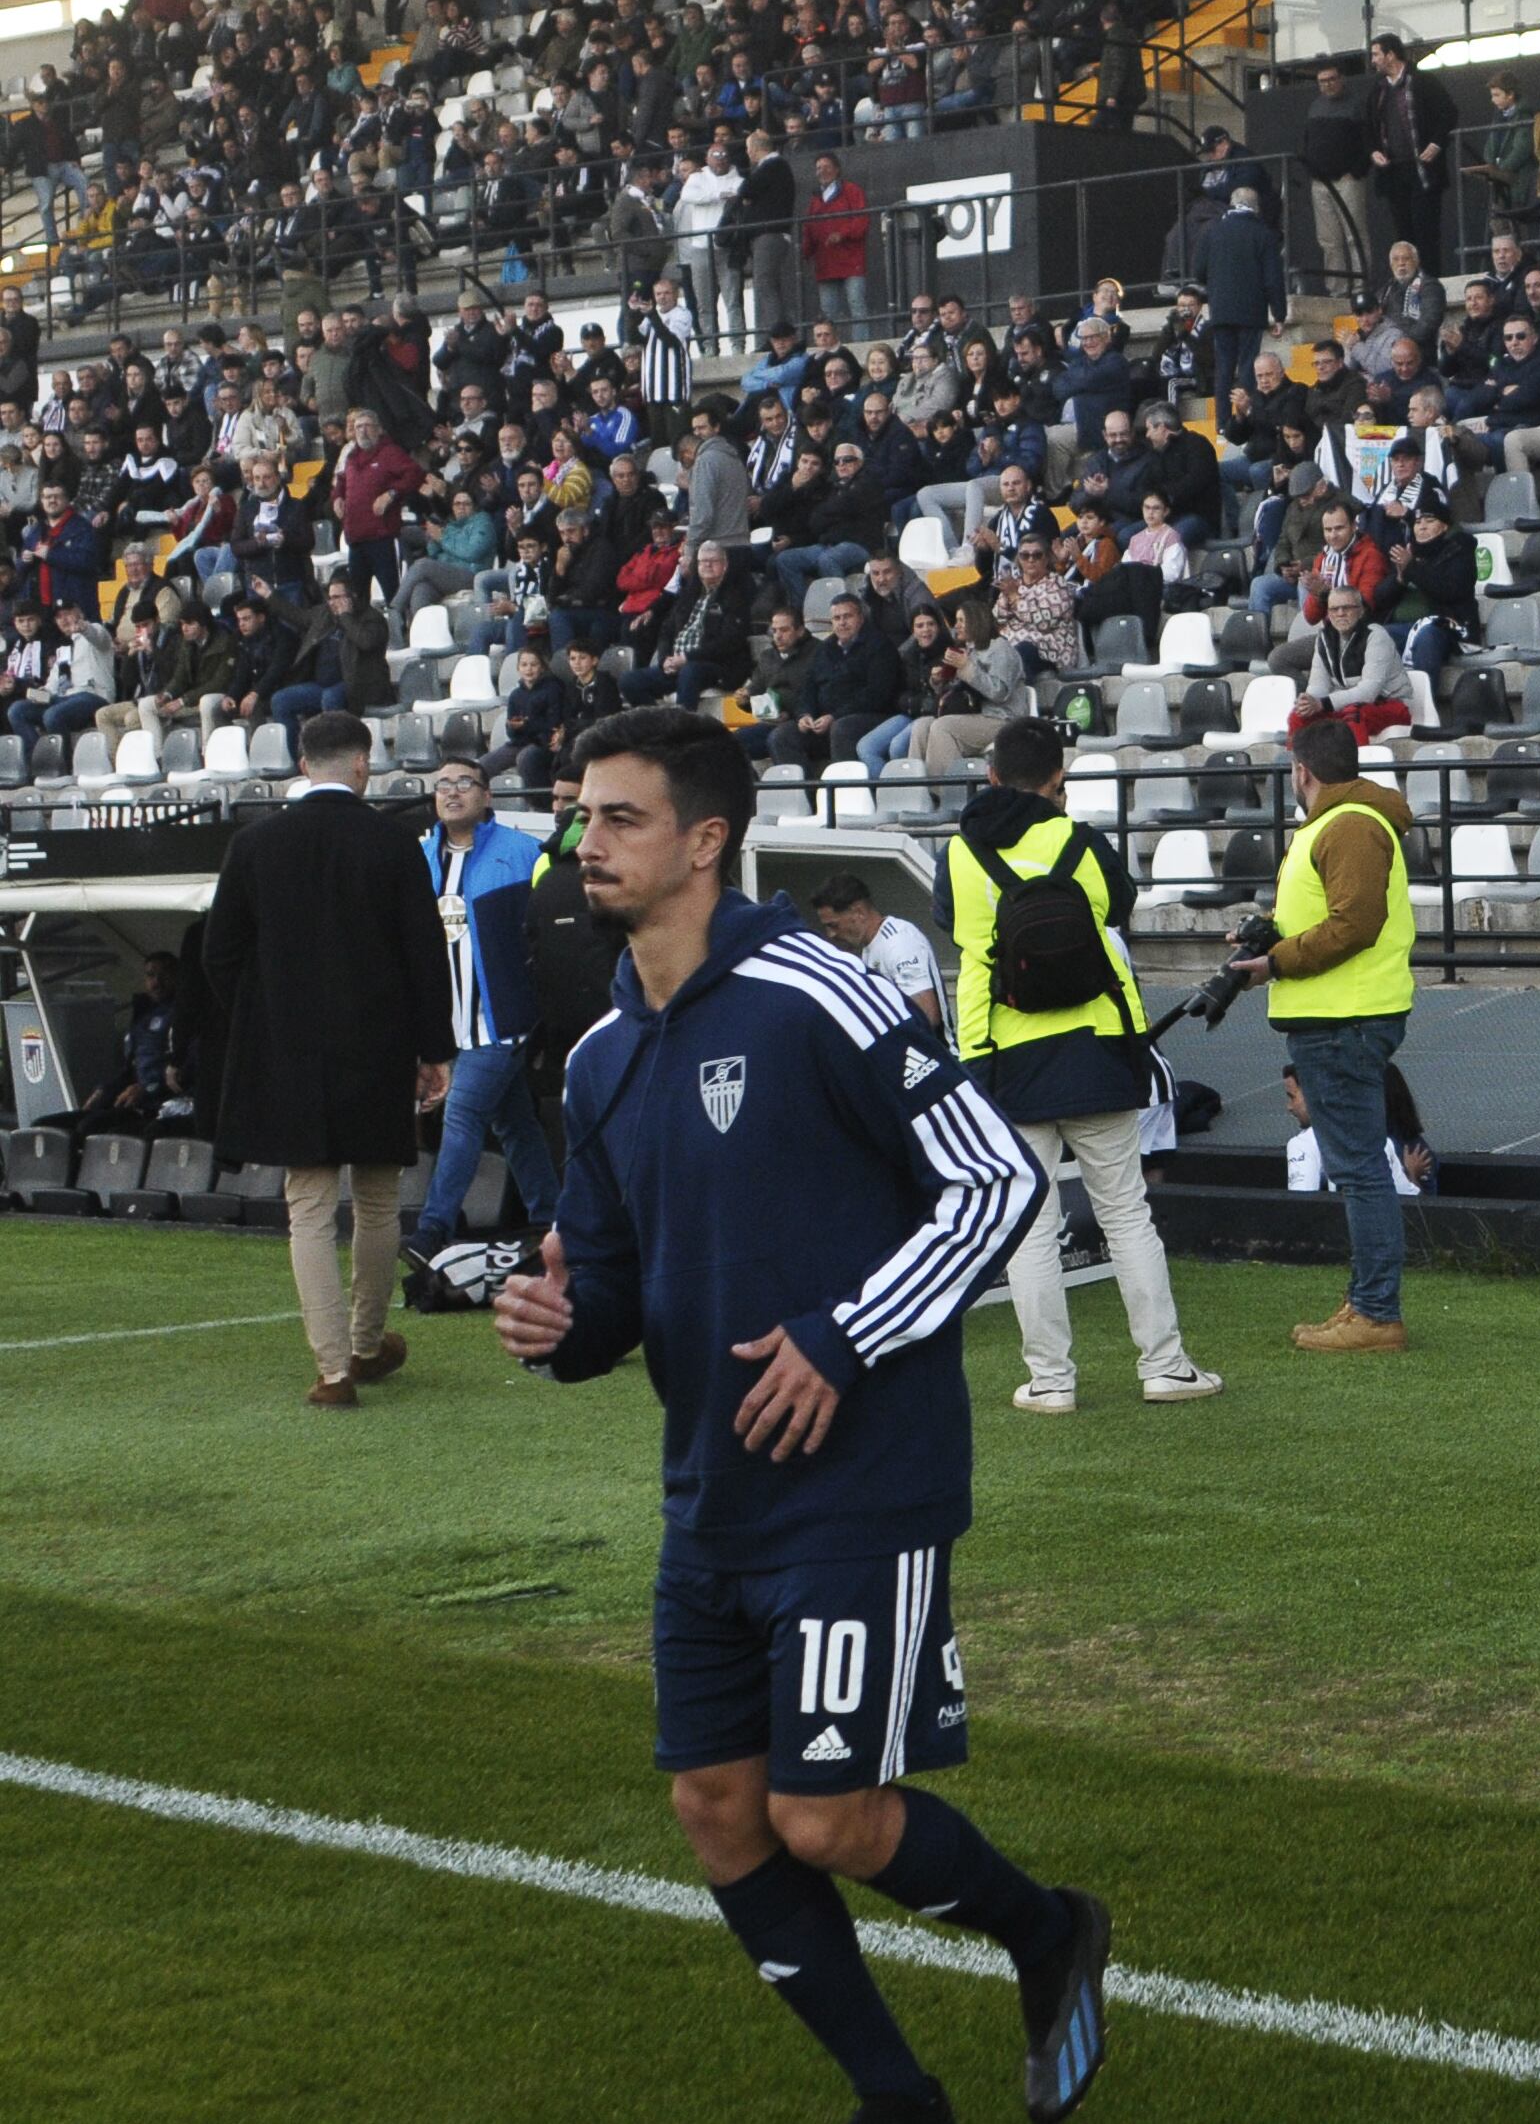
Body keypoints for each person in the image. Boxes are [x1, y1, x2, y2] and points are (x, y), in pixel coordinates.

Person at [487, 706, 1109, 2124]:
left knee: (822, 1818)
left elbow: (996, 1183)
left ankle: (1045, 1929)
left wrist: (843, 1335)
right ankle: (898, 2097)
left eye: (623, 818)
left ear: (707, 841)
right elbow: (611, 1287)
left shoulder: (818, 991)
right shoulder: (599, 1058)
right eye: (585, 815)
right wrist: (555, 1326)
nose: (591, 842)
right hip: (710, 1490)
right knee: (716, 1808)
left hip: (859, 1480)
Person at [948, 721, 1218, 1413]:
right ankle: (1165, 1366)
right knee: (1127, 1213)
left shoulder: (961, 852)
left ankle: (1050, 1381)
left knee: (1030, 1224)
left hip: (1007, 1055)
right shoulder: (1083, 842)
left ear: (992, 778)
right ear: (1057, 779)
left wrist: (975, 1063)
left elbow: (975, 961)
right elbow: (1117, 909)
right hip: (1097, 1045)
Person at [206, 713, 455, 1407]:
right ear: (361, 765)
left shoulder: (254, 843)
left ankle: (333, 1370)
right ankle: (369, 1343)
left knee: (307, 1207)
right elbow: (423, 955)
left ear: (303, 762)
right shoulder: (393, 843)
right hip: (376, 1047)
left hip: (290, 1051)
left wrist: (266, 1017)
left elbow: (218, 952)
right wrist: (433, 1048)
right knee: (377, 1201)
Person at [1236, 721, 1422, 1353]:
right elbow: (1339, 917)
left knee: (1360, 1171)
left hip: (1344, 1019)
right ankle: (1367, 1303)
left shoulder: (1345, 826)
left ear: (1301, 771)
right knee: (1359, 1168)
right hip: (1343, 1016)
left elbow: (1355, 923)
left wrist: (1276, 961)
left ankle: (1375, 1312)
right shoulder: (1347, 823)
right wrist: (1269, 937)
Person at [406, 762, 562, 1271]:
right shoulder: (421, 857)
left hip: (502, 1022)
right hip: (449, 1026)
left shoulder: (520, 852)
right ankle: (554, 1221)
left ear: (487, 795)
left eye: (464, 784)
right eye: (443, 786)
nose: (452, 793)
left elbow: (544, 930)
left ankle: (432, 1230)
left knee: (463, 1113)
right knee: (515, 1122)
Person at [808, 875, 943, 1025]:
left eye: (834, 925)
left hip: (928, 1048)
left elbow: (927, 1015)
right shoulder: (871, 947)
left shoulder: (899, 941)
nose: (831, 934)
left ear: (859, 912)